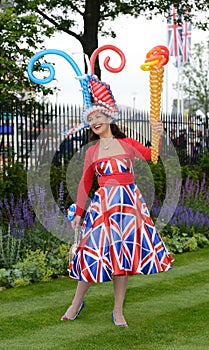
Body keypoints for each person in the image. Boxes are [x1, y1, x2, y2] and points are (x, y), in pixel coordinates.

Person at [61, 106, 174, 327]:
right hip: (103, 207)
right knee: (93, 253)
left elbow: (152, 156)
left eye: (98, 116)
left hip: (128, 205)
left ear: (109, 119)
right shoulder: (91, 151)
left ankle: (118, 311)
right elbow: (85, 183)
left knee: (123, 254)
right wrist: (80, 212)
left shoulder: (127, 144)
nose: (94, 121)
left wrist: (157, 134)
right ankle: (75, 304)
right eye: (91, 119)